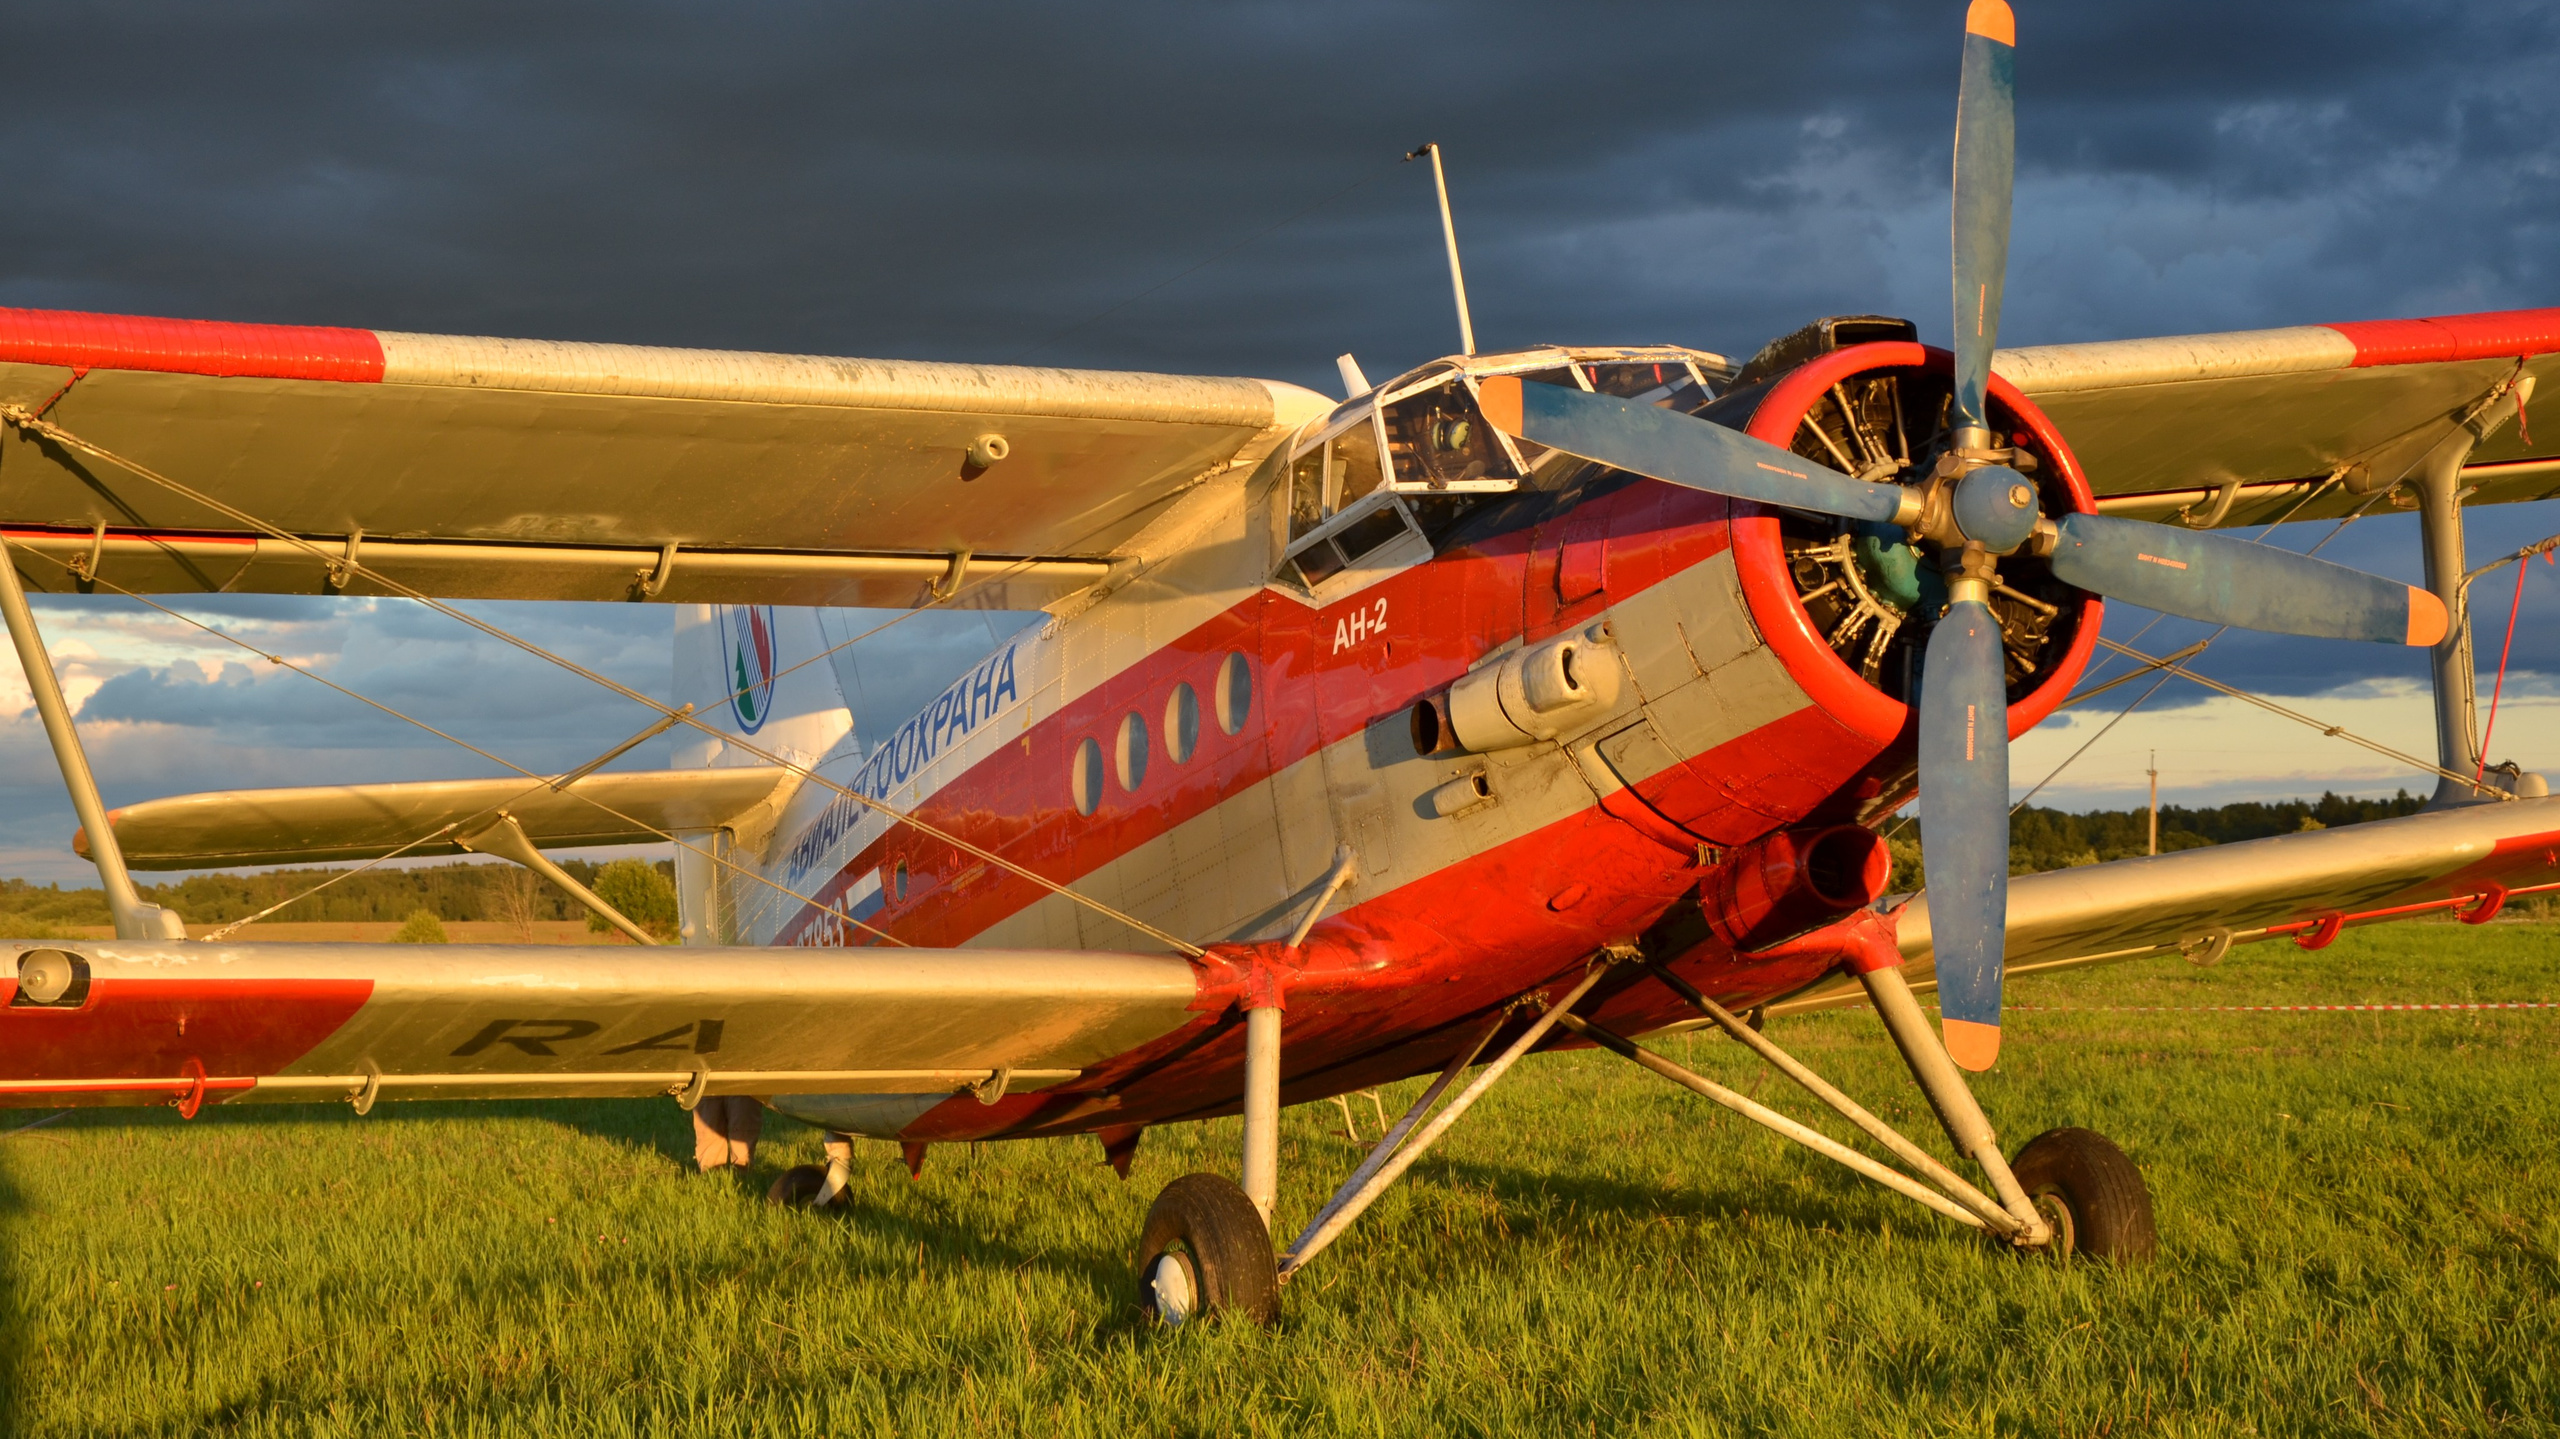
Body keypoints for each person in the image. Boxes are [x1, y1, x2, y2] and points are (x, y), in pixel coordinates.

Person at [692, 1094, 763, 1173]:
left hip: (744, 1086)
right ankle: (712, 1175)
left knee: (742, 1149)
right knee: (709, 1157)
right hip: (706, 1086)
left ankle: (742, 1175)